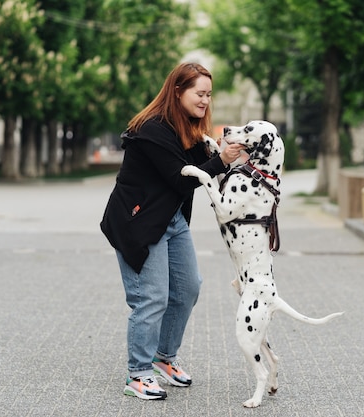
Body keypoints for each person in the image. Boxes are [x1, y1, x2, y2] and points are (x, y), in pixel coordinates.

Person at [100, 62, 245, 400]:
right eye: (199, 93)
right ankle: (137, 374)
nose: (206, 100)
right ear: (178, 91)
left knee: (188, 288)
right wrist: (222, 159)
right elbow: (182, 177)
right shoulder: (152, 129)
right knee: (150, 298)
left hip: (171, 220)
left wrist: (219, 153)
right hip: (138, 222)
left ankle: (163, 358)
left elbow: (199, 167)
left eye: (209, 94)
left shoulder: (188, 128)